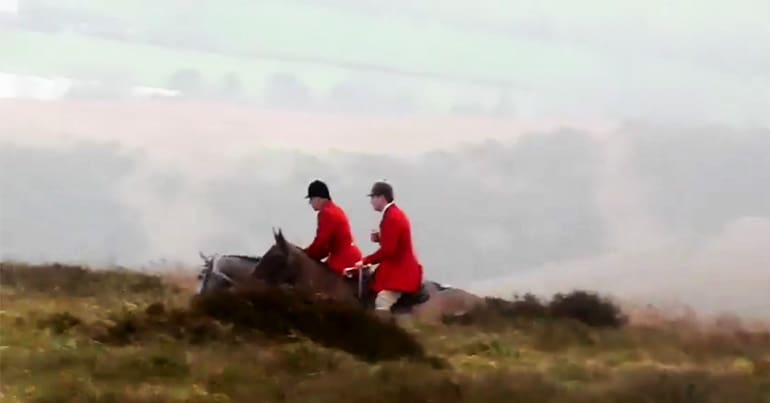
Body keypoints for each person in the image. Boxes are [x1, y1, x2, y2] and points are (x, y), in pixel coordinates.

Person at [353, 181, 423, 314]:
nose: (371, 201)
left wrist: (365, 261)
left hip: (400, 271)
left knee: (381, 301)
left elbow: (389, 250)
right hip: (397, 266)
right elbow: (393, 243)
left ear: (382, 197)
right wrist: (380, 238)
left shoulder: (392, 217)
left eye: (373, 197)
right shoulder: (393, 213)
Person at [303, 179, 363, 276]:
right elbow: (325, 248)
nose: (310, 203)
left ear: (318, 198)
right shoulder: (336, 209)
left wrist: (306, 255)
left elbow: (321, 243)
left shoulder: (326, 213)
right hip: (350, 257)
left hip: (342, 261)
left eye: (311, 199)